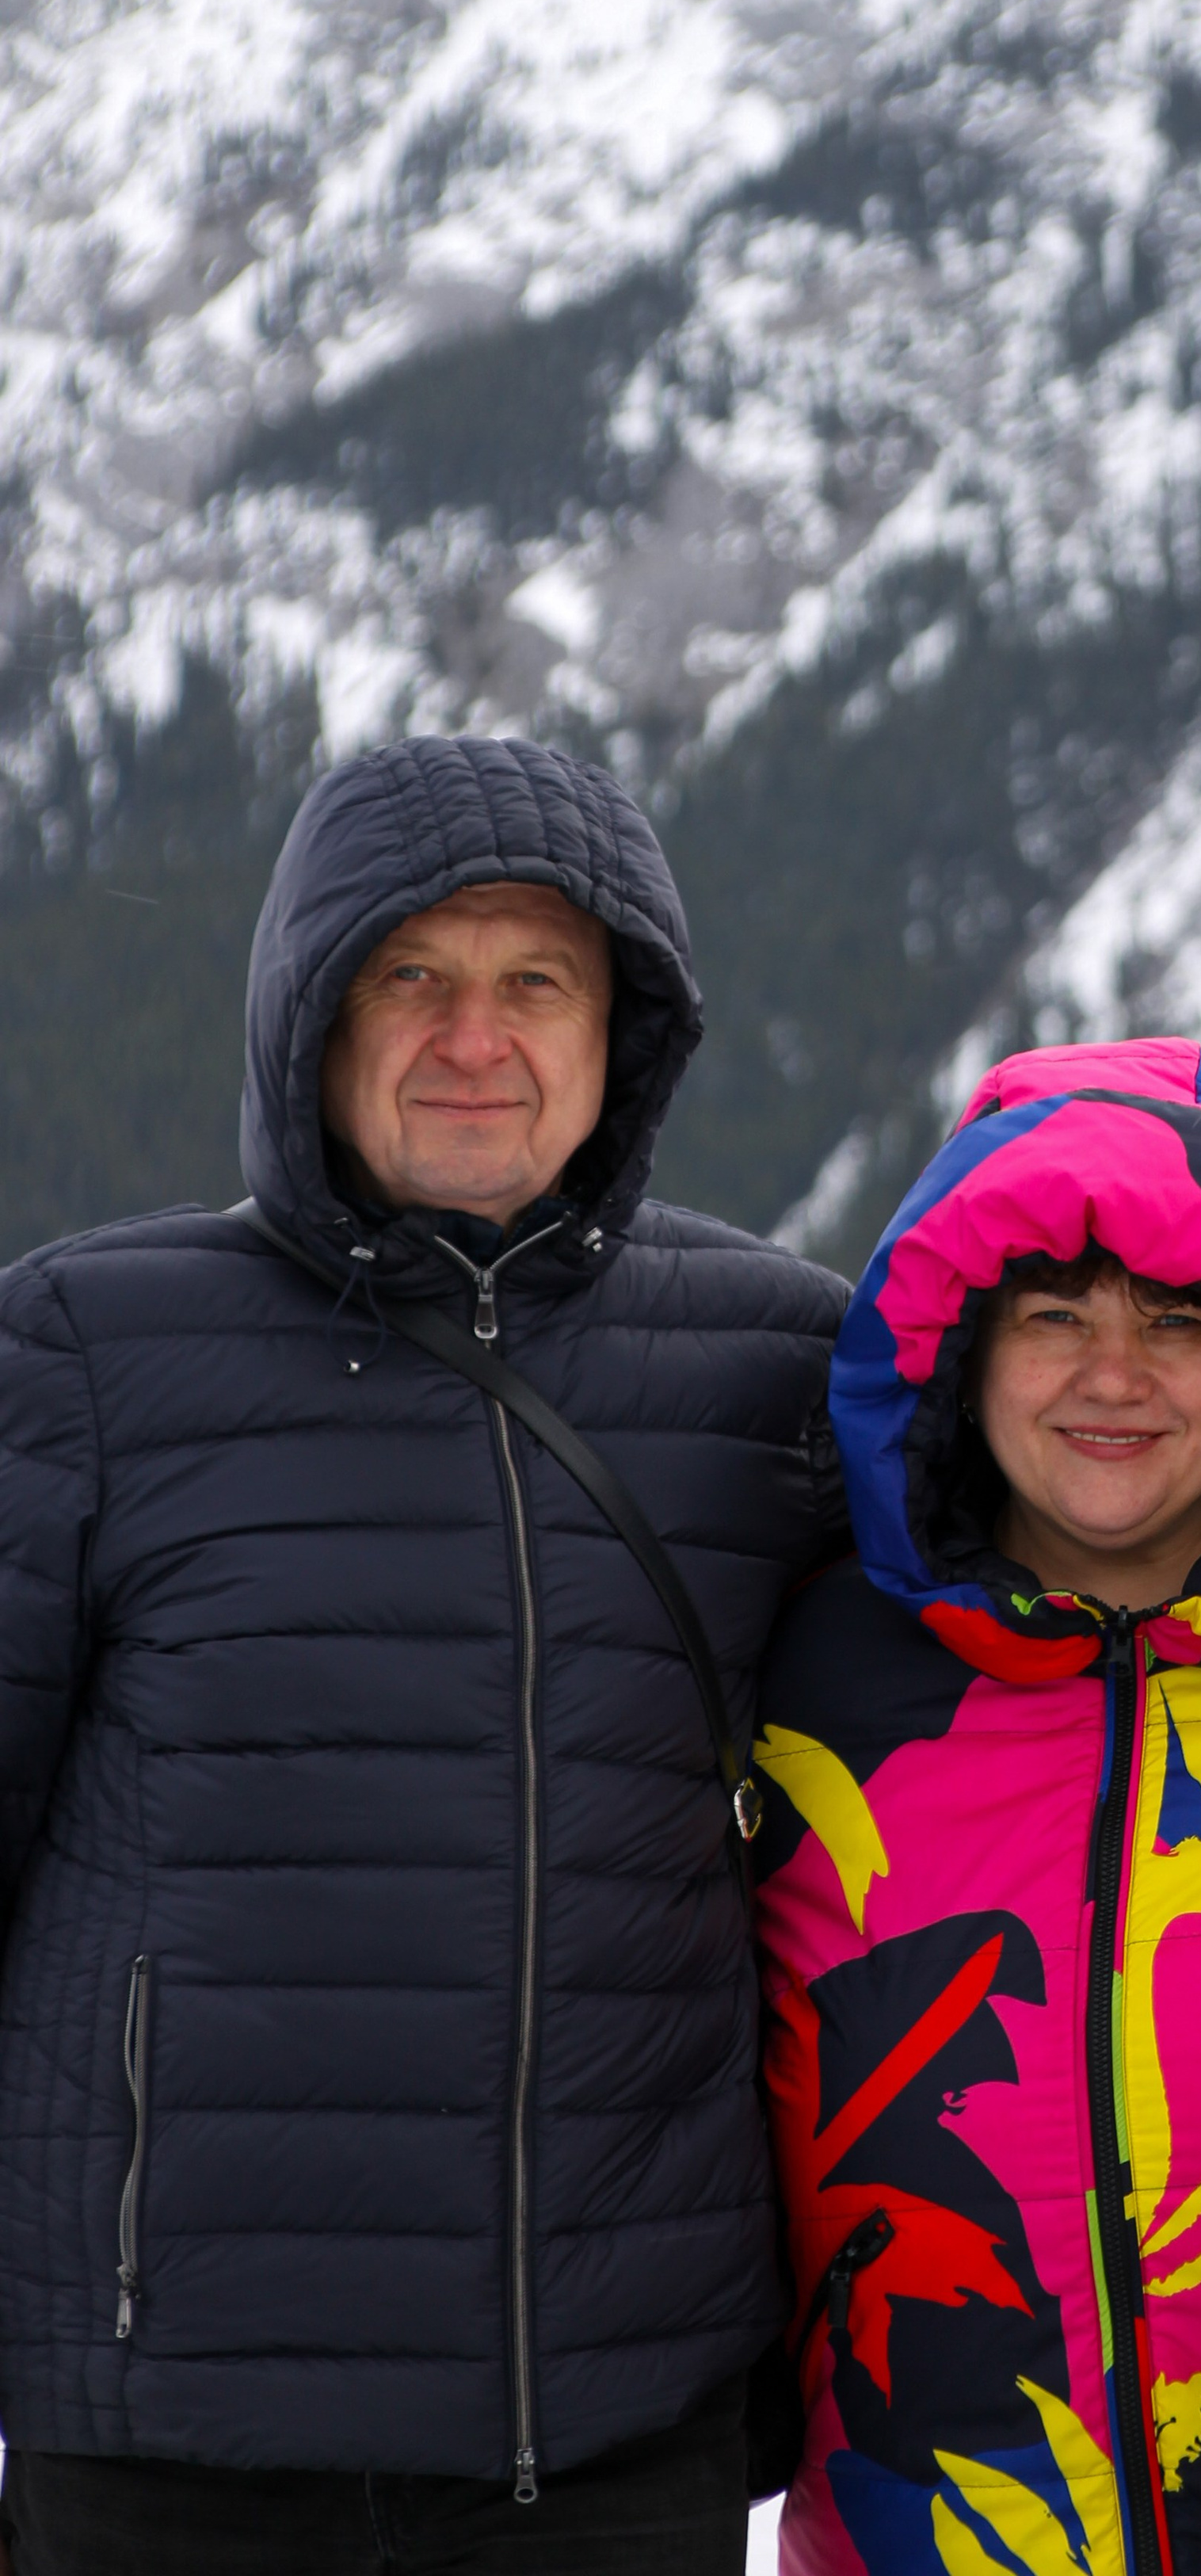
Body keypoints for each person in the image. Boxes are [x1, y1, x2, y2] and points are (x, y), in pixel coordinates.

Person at [0, 734, 848, 2575]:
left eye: (535, 979)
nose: (478, 1037)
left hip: (612, 2433)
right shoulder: (84, 1353)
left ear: (624, 1028)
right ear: (309, 1019)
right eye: (413, 977)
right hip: (171, 2438)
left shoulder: (780, 1370)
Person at [749, 1036, 1201, 2576]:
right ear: (957, 1358)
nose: (1111, 1376)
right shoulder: (808, 1666)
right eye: (1052, 1318)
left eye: (1177, 1320)